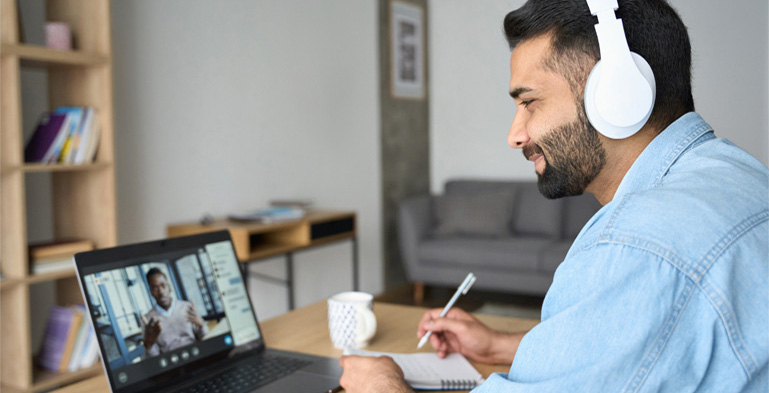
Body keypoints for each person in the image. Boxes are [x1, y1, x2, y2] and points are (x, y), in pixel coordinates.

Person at [339, 0, 769, 392]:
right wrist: (502, 345)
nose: (514, 135)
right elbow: (655, 343)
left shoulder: (639, 244)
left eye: (529, 102)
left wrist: (382, 385)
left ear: (617, 96)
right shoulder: (741, 173)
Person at [142, 267, 208, 357]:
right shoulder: (148, 320)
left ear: (169, 287)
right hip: (172, 364)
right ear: (151, 292)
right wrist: (149, 346)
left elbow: (206, 338)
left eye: (163, 285)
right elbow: (154, 358)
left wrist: (202, 325)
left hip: (196, 355)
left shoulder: (187, 307)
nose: (161, 292)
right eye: (155, 288)